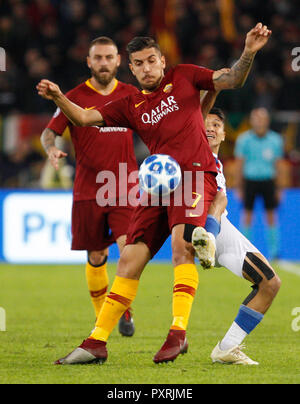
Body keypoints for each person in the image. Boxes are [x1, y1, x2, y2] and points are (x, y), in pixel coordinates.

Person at [36, 23, 272, 365]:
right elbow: (85, 118)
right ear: (130, 68)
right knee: (130, 258)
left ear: (162, 60)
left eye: (151, 61)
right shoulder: (130, 103)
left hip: (193, 175)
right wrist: (59, 97)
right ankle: (96, 343)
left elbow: (232, 79)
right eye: (139, 64)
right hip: (157, 186)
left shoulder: (187, 76)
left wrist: (248, 52)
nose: (147, 68)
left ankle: (178, 334)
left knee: (183, 244)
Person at [40, 36, 139, 337]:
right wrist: (51, 149)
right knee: (96, 256)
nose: (104, 63)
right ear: (89, 62)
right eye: (98, 58)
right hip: (89, 189)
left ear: (118, 61)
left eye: (109, 57)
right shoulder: (73, 96)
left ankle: (112, 318)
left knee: (128, 254)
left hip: (125, 186)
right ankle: (105, 318)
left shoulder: (133, 94)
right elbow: (49, 132)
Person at [197, 106, 281, 365]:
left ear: (224, 135)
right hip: (213, 231)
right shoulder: (192, 156)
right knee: (270, 283)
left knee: (270, 284)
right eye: (205, 124)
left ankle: (227, 347)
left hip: (222, 232)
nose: (210, 128)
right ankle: (223, 347)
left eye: (216, 125)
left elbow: (219, 198)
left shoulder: (217, 164)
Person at [234, 108, 284, 260]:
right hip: (250, 180)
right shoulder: (244, 140)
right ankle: (245, 250)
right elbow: (239, 164)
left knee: (271, 215)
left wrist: (279, 188)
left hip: (268, 180)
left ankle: (274, 252)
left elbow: (279, 165)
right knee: (247, 215)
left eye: (262, 119)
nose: (259, 122)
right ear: (251, 121)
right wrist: (239, 186)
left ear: (267, 121)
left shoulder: (275, 140)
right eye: (256, 119)